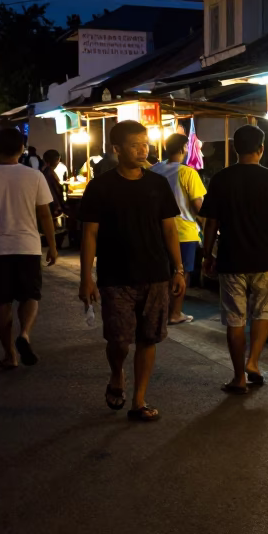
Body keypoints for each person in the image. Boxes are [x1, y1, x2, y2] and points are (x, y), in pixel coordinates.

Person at [78, 120, 185, 422]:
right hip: (115, 277)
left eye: (146, 143)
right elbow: (90, 235)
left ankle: (139, 400)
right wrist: (86, 278)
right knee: (119, 341)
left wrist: (178, 269)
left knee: (148, 338)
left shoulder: (157, 184)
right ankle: (116, 375)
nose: (143, 149)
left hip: (155, 274)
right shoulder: (100, 187)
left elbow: (169, 229)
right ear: (116, 149)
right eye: (135, 144)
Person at [200, 125, 268, 394]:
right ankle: (253, 362)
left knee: (235, 319)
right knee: (264, 312)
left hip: (231, 259)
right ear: (261, 149)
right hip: (265, 258)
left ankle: (239, 377)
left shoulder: (221, 179)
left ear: (234, 149)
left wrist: (208, 254)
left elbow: (211, 223)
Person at [0, 127, 57, 370]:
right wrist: (53, 246)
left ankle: (9, 354)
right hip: (28, 246)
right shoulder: (34, 176)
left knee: (1, 302)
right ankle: (24, 333)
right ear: (21, 149)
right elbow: (45, 214)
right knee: (30, 296)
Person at [150, 133, 207, 325]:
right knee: (181, 273)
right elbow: (198, 205)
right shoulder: (188, 172)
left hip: (157, 231)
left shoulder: (155, 169)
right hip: (183, 231)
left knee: (162, 274)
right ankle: (175, 313)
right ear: (184, 149)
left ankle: (160, 311)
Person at [40, 149, 68, 236]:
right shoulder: (48, 174)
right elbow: (55, 191)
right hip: (52, 204)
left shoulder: (43, 172)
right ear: (57, 160)